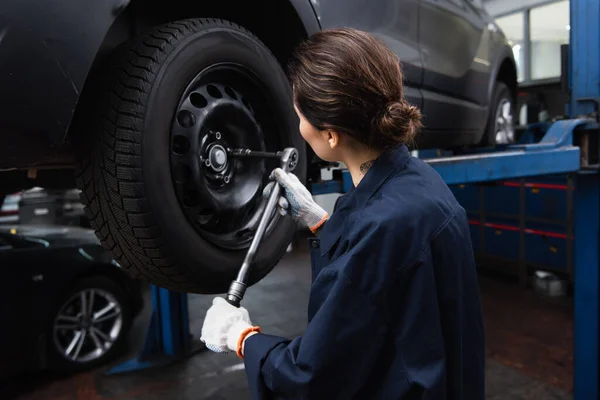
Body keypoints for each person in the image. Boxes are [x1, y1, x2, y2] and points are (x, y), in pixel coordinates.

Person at [200, 28, 485, 400]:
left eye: (299, 115)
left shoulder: (382, 227)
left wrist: (241, 338)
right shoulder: (418, 182)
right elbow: (382, 285)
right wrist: (321, 222)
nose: (299, 126)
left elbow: (313, 376)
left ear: (331, 136)